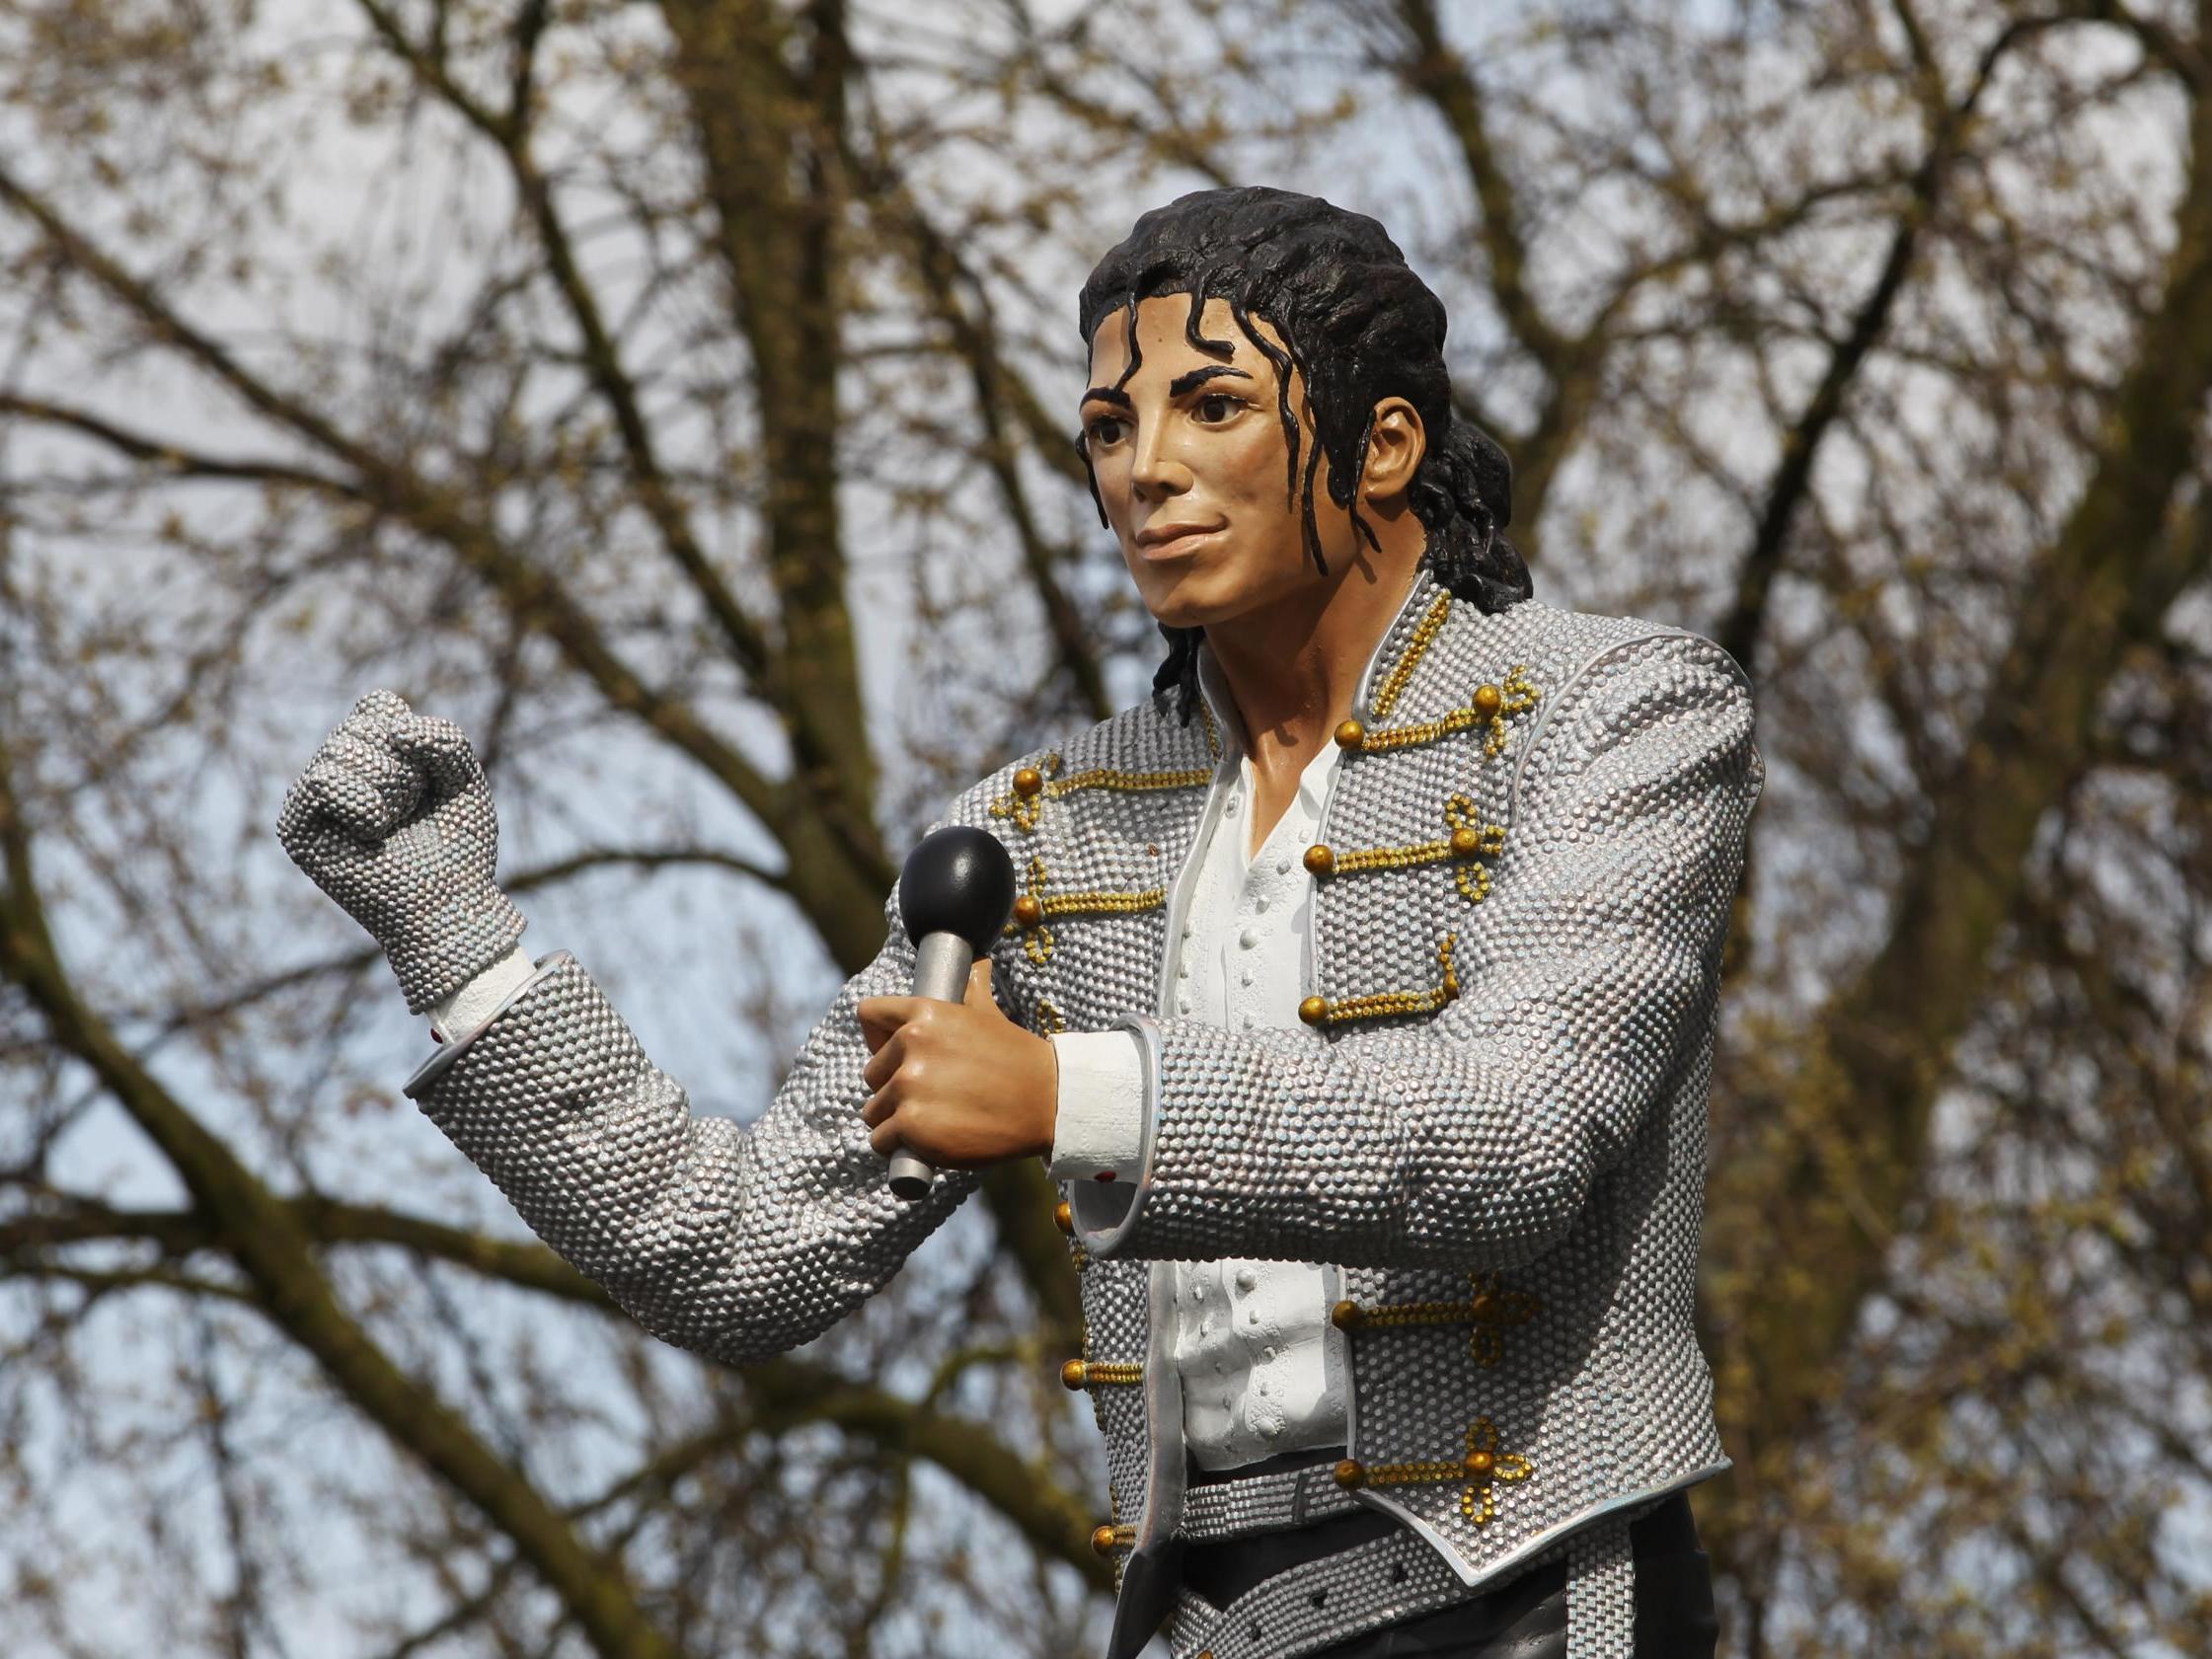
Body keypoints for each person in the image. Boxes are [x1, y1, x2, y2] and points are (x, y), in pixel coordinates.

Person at [278, 186, 1762, 1659]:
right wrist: (454, 940)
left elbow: (1518, 1138)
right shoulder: (1039, 832)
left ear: (1385, 444)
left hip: (1536, 1606)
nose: (1145, 472)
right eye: (1110, 431)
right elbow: (737, 1253)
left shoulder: (1615, 712)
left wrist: (1069, 1093)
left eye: (1213, 406)